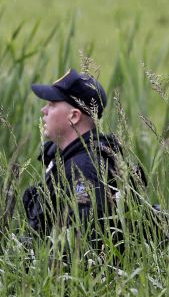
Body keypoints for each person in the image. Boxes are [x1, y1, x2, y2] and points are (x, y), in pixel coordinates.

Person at [22, 69, 131, 250]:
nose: (44, 110)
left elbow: (85, 243)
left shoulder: (85, 168)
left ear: (74, 116)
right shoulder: (65, 160)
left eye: (52, 104)